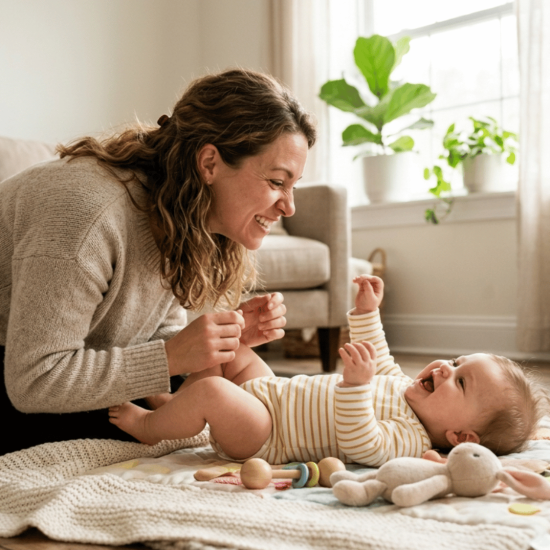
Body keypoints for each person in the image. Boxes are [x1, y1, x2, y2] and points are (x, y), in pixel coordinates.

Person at [0, 68, 316, 454]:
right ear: (210, 163)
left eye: (293, 186)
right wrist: (171, 357)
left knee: (185, 412)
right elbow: (34, 380)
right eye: (276, 182)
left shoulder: (176, 211)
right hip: (22, 374)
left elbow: (147, 335)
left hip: (38, 368)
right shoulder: (89, 214)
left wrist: (224, 340)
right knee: (153, 427)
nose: (289, 205)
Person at [109, 274, 550, 466]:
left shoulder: (409, 441)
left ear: (461, 437)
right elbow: (376, 354)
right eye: (456, 362)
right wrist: (366, 313)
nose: (444, 368)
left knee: (215, 396)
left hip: (267, 434)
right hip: (272, 391)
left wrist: (357, 388)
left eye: (460, 380)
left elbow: (364, 443)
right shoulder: (404, 386)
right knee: (230, 350)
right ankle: (178, 407)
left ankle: (154, 425)